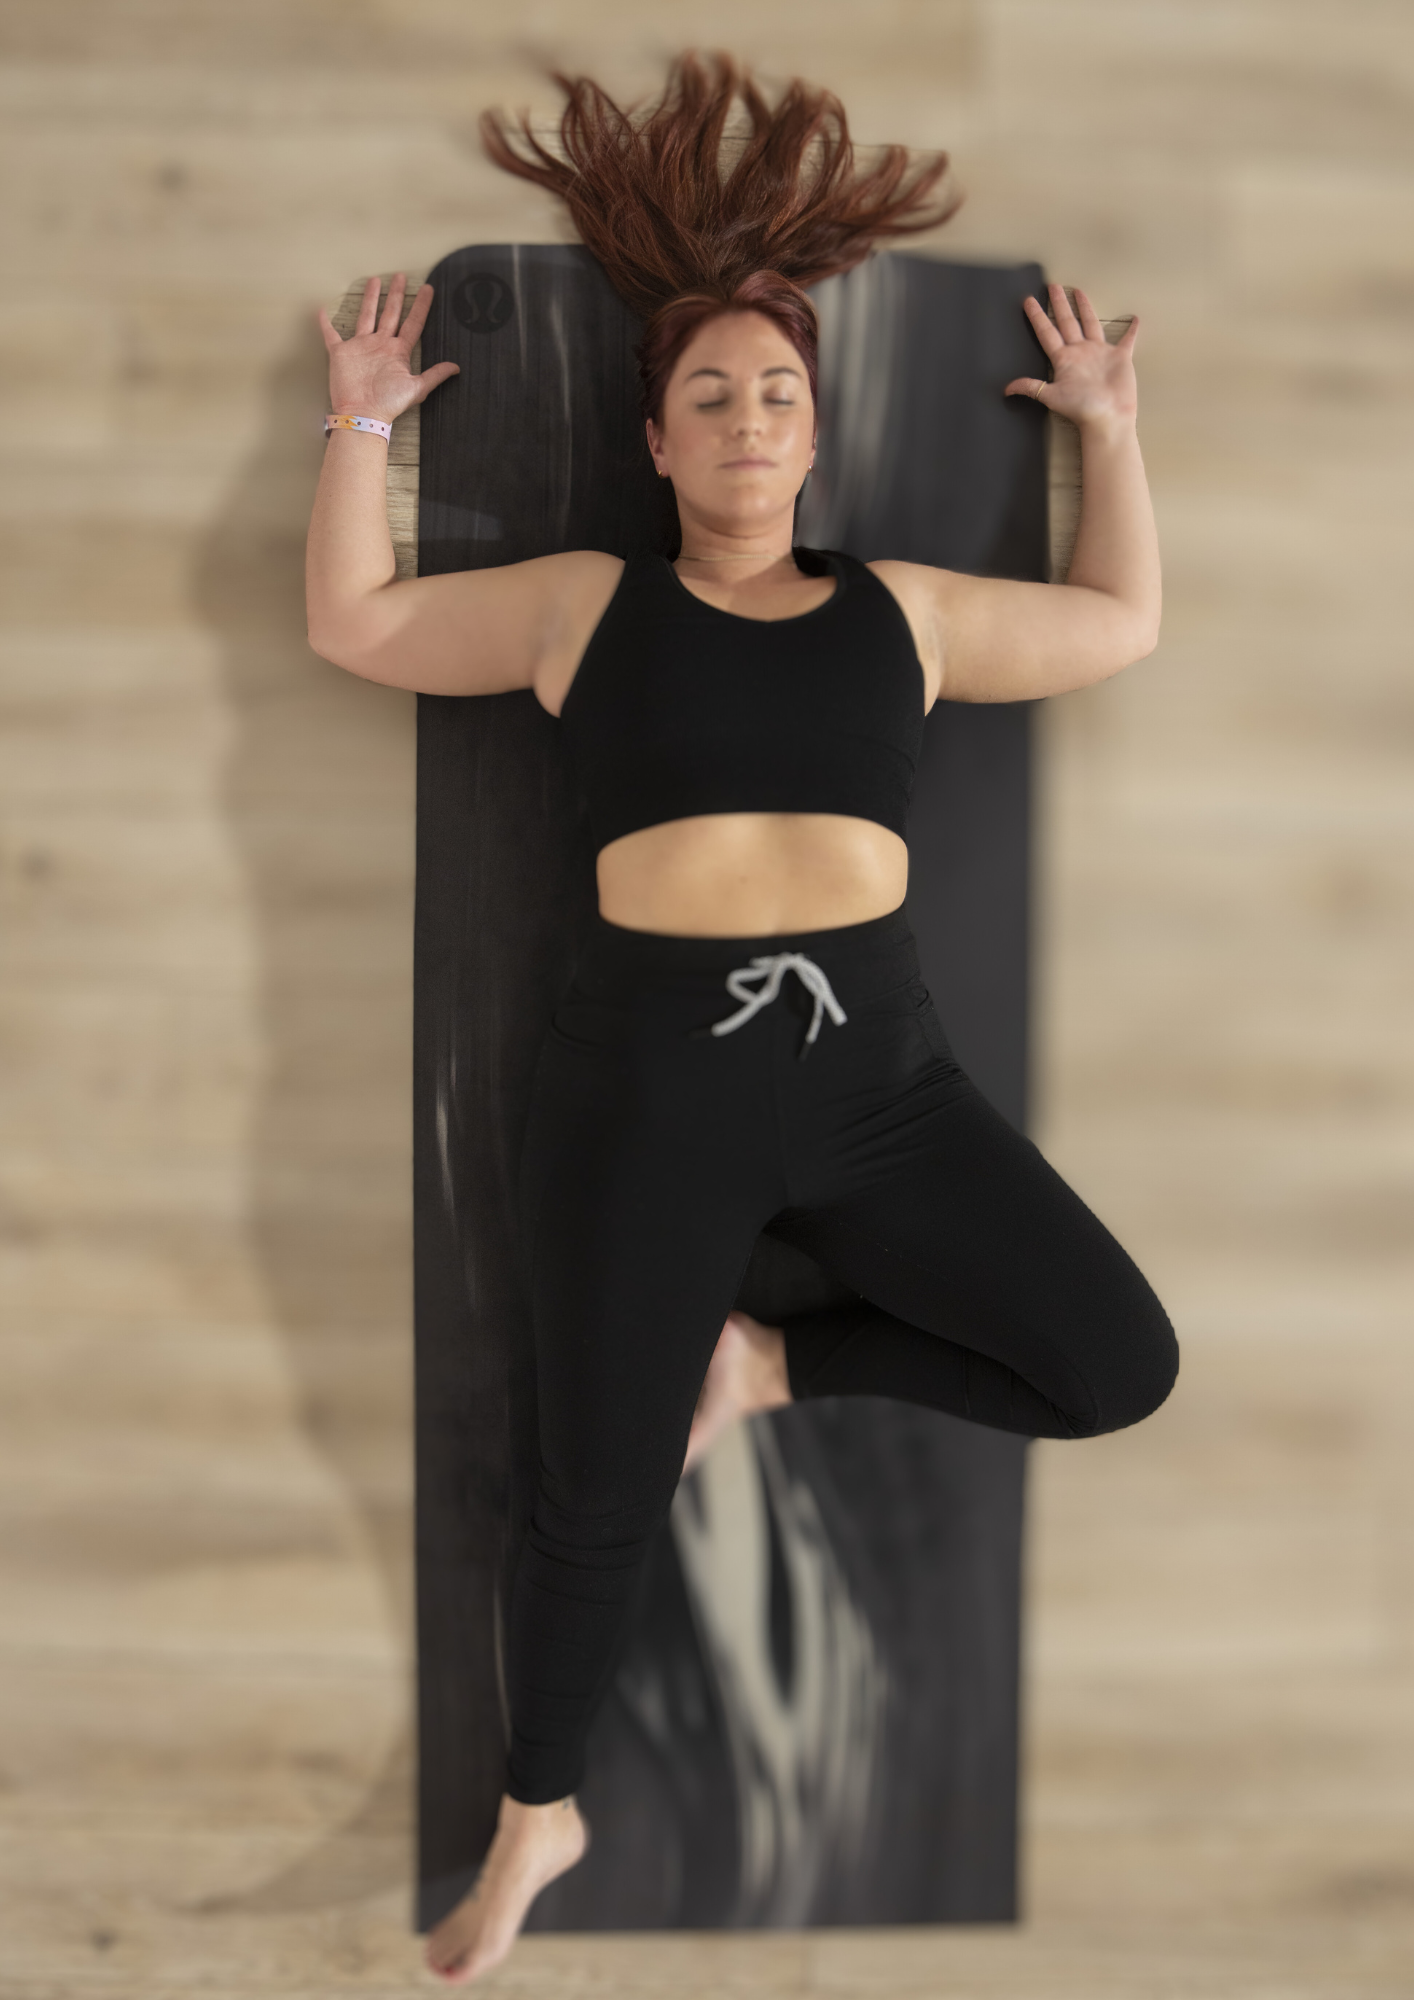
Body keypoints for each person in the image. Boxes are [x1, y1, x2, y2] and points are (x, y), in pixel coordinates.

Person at [306, 54, 1177, 1987]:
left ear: (811, 431)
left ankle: (765, 1374)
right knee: (582, 1502)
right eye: (709, 390)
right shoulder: (576, 604)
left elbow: (1115, 625)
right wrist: (356, 430)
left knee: (1115, 1363)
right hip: (640, 1103)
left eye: (776, 389)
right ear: (658, 436)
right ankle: (543, 1815)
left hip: (880, 1095)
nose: (747, 414)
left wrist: (1107, 429)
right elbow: (357, 629)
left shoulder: (910, 612)